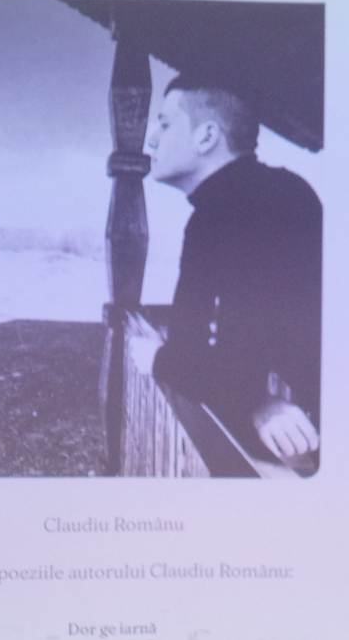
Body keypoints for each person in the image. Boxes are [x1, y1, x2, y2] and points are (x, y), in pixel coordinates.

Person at [137, 73, 322, 474]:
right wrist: (256, 399)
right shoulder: (288, 191)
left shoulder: (220, 217)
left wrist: (154, 357)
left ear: (206, 137)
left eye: (165, 124)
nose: (151, 139)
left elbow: (192, 355)